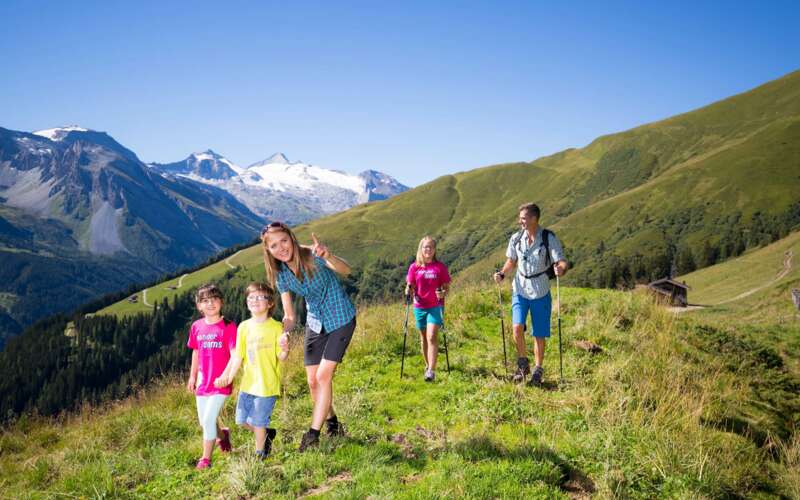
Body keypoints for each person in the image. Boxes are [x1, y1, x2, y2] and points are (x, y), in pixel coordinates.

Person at [261, 222, 356, 451]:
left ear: (291, 237)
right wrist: (284, 332)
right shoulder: (281, 275)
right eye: (274, 245)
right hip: (315, 323)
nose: (281, 248)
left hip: (341, 318)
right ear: (269, 251)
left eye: (283, 240)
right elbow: (290, 315)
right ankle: (333, 423)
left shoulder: (313, 255)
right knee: (313, 382)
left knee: (324, 377)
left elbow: (347, 270)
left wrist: (329, 255)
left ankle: (312, 435)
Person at [493, 203, 567, 386]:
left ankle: (538, 368)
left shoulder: (548, 238)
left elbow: (562, 261)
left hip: (540, 290)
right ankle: (522, 364)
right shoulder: (516, 238)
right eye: (520, 218)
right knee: (517, 327)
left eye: (524, 218)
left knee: (538, 333)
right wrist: (502, 273)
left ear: (534, 219)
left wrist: (561, 269)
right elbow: (511, 261)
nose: (521, 221)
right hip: (519, 288)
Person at [214, 283, 289, 459]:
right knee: (241, 421)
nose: (254, 300)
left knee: (258, 422)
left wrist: (285, 348)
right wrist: (228, 377)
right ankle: (266, 433)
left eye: (260, 297)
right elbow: (238, 357)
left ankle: (259, 454)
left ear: (270, 303)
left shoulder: (276, 327)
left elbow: (282, 357)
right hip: (248, 385)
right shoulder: (244, 327)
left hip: (267, 385)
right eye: (250, 298)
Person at [186, 284, 237, 470]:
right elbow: (195, 352)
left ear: (221, 302)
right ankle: (223, 436)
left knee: (208, 420)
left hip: (221, 382)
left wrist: (226, 375)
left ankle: (205, 459)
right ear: (199, 306)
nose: (210, 303)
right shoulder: (196, 326)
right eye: (205, 301)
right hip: (202, 381)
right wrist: (192, 376)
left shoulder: (229, 326)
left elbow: (235, 354)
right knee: (204, 421)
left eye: (214, 299)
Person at [405, 236, 451, 382]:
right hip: (419, 306)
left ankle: (431, 370)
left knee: (432, 336)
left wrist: (443, 293)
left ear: (434, 250)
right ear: (421, 249)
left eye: (431, 247)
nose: (428, 250)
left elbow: (446, 287)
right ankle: (427, 365)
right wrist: (408, 290)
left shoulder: (440, 267)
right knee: (423, 337)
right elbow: (410, 284)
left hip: (435, 306)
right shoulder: (414, 267)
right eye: (426, 247)